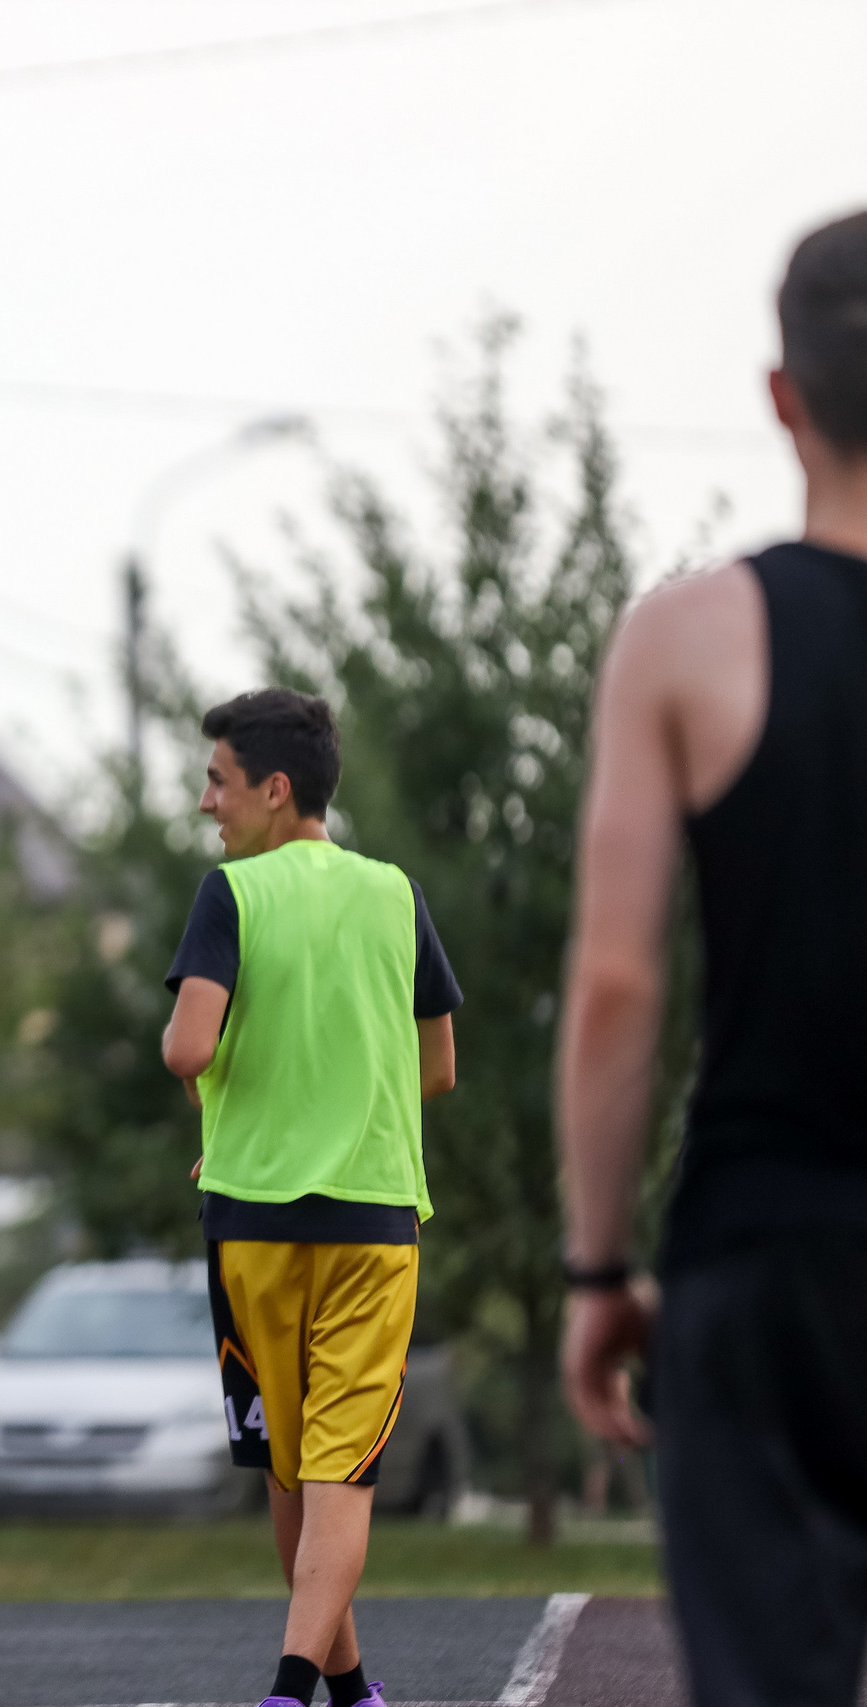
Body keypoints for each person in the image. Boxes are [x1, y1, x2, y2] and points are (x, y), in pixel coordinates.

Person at [560, 211, 867, 1707]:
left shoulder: (688, 638)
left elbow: (620, 985)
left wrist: (597, 1262)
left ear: (782, 395)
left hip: (767, 1244)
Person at [159, 689, 460, 1707]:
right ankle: (345, 1689)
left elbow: (186, 1048)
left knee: (292, 1469)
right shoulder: (396, 892)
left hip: (250, 1222)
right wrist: (344, 1095)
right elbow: (438, 1067)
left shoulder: (228, 895)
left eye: (217, 780)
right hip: (374, 1222)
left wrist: (241, 1106)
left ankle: (294, 1687)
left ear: (274, 789)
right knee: (337, 1468)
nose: (208, 803)